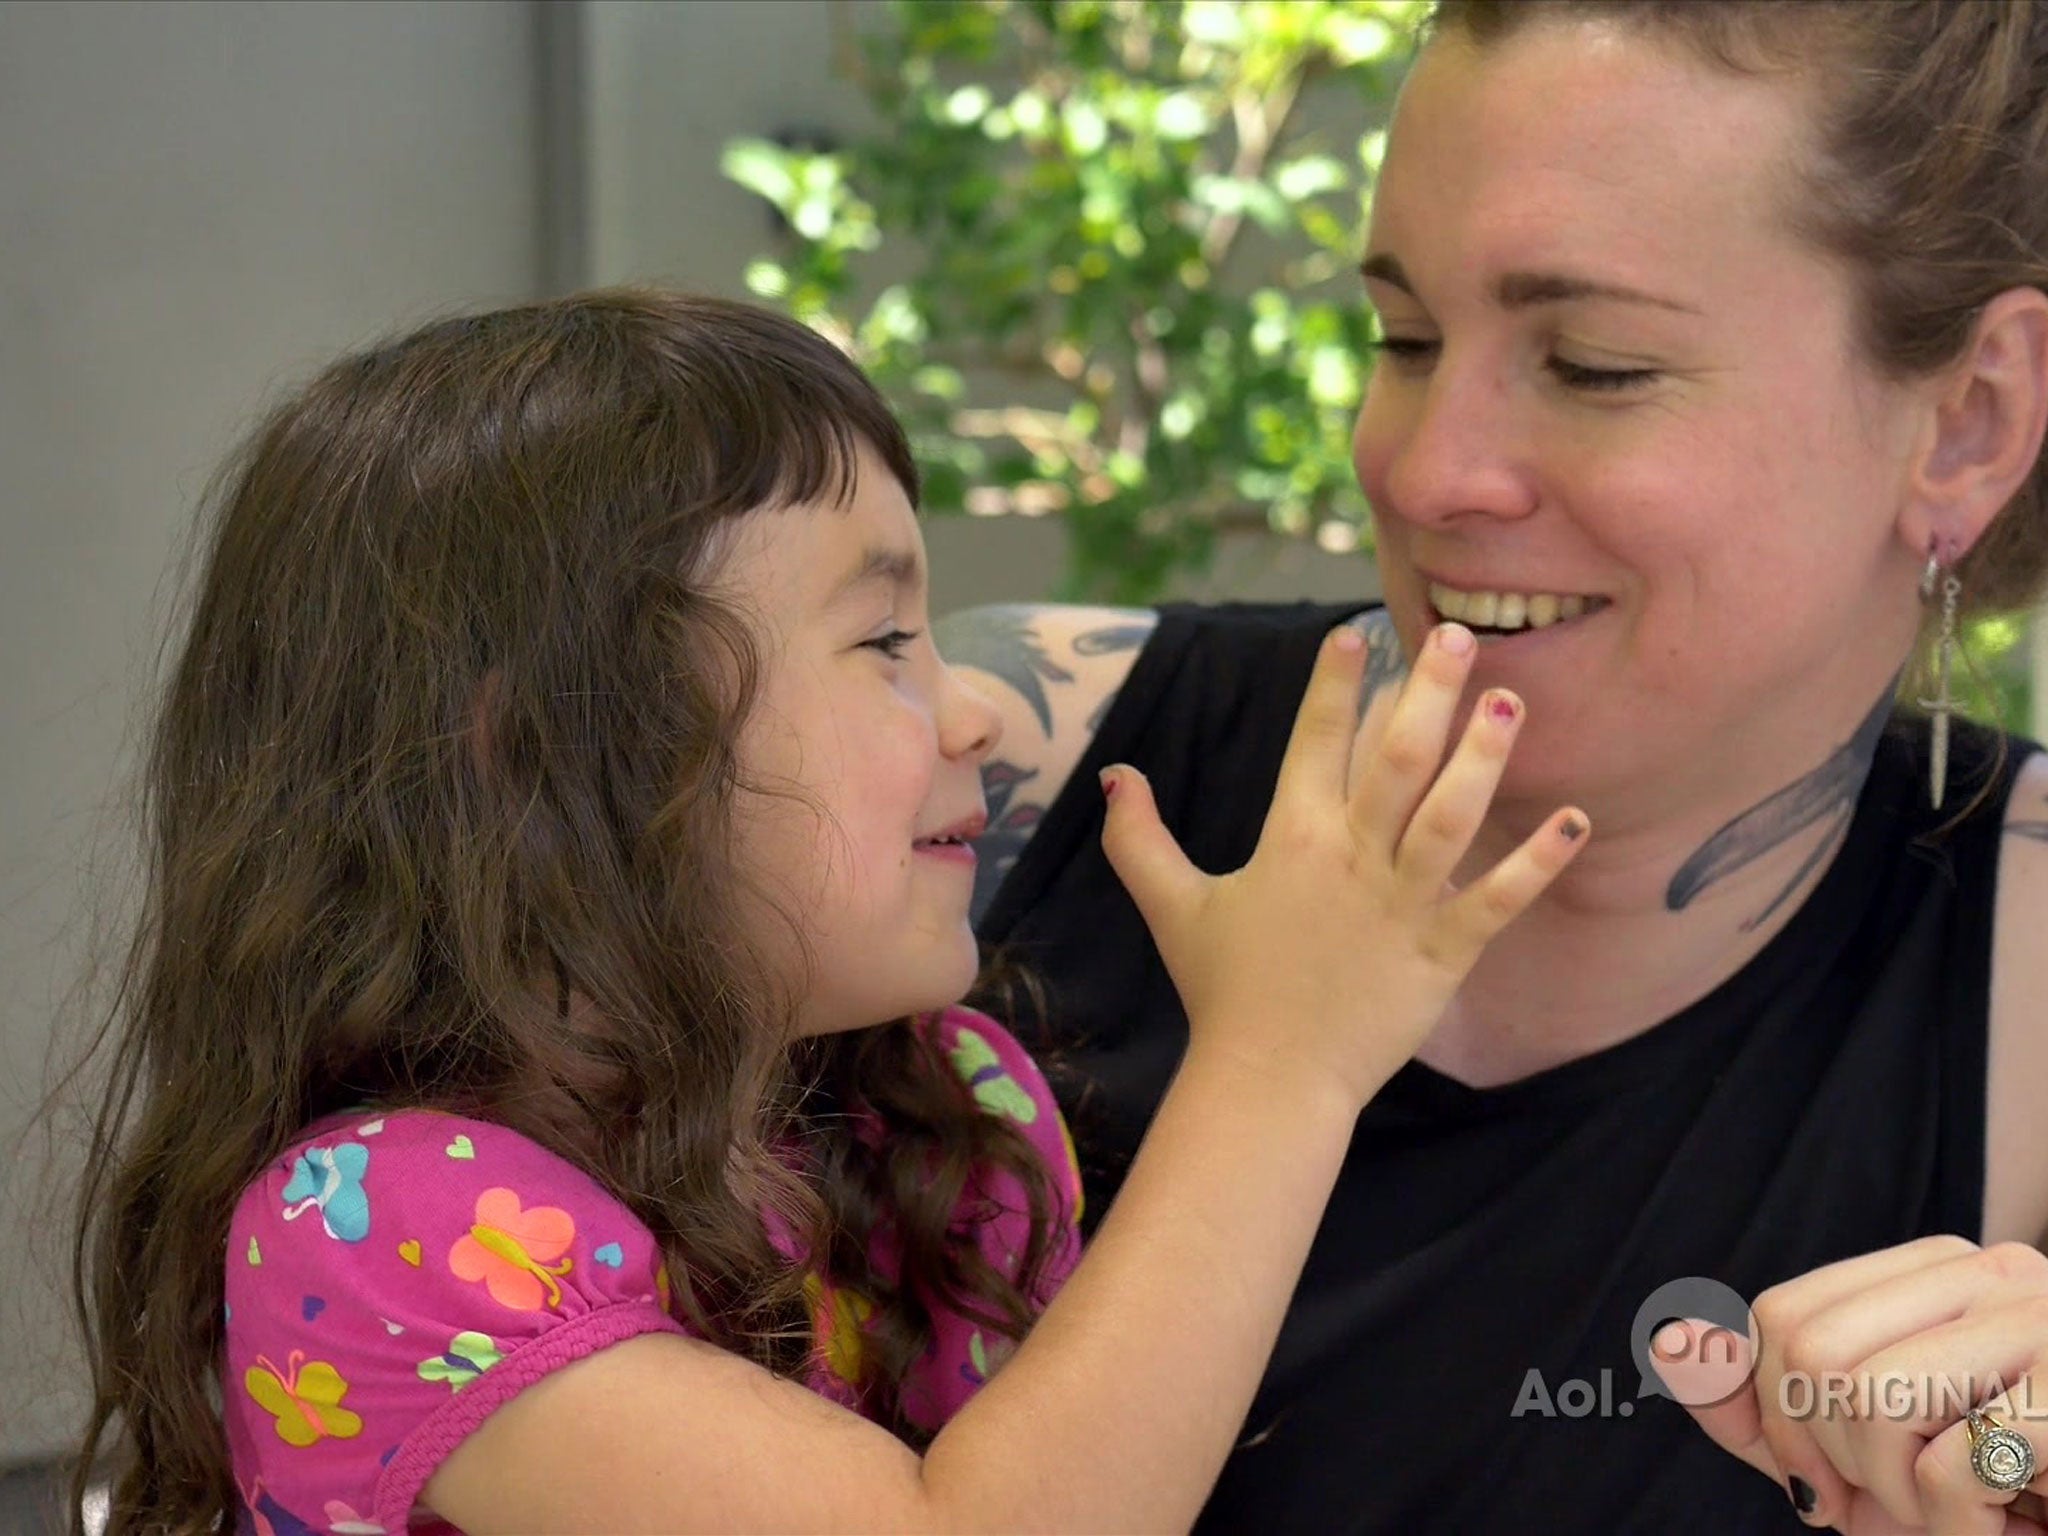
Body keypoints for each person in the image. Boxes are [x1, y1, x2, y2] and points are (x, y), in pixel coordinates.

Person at [64, 289, 1588, 1535]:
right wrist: (1281, 1064)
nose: (978, 706)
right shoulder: (381, 1227)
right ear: (546, 747)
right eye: (885, 642)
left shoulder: (944, 1116)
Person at [939, 2, 2048, 1532]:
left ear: (1970, 421)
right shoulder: (987, 770)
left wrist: (2019, 1475)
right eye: (1402, 339)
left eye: (1595, 366)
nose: (1422, 469)